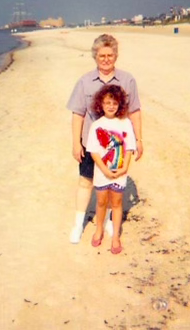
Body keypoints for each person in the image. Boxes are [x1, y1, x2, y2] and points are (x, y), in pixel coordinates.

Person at [67, 34, 142, 244]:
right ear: (95, 57)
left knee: (111, 184)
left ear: (116, 56)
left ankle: (109, 220)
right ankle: (78, 224)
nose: (106, 59)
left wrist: (139, 140)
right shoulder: (84, 81)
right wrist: (75, 143)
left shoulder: (127, 80)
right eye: (102, 55)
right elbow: (77, 114)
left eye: (110, 55)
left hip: (117, 146)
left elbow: (135, 111)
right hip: (91, 146)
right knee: (86, 182)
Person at [86, 84, 136, 254]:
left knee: (116, 203)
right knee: (101, 202)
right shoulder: (96, 125)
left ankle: (115, 236)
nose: (111, 106)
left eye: (114, 103)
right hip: (102, 171)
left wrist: (124, 167)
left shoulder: (125, 123)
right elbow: (93, 151)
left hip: (120, 171)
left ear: (120, 104)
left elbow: (129, 148)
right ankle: (99, 229)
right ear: (101, 104)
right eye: (107, 102)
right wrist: (105, 170)